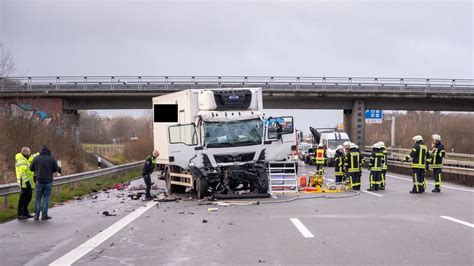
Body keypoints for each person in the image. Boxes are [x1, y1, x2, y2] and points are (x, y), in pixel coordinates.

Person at [30, 146, 61, 220]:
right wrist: (50, 170)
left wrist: (37, 170)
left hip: (39, 181)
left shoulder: (36, 158)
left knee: (37, 198)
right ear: (48, 151)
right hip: (48, 181)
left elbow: (31, 168)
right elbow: (57, 169)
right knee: (46, 198)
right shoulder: (51, 158)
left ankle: (36, 215)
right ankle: (44, 215)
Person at [15, 147, 37, 219]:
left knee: (28, 197)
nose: (30, 153)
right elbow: (22, 173)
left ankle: (25, 212)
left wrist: (42, 152)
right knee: (23, 198)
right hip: (24, 182)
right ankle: (20, 214)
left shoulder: (27, 158)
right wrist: (27, 182)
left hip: (28, 182)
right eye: (29, 152)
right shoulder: (21, 160)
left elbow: (34, 156)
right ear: (26, 153)